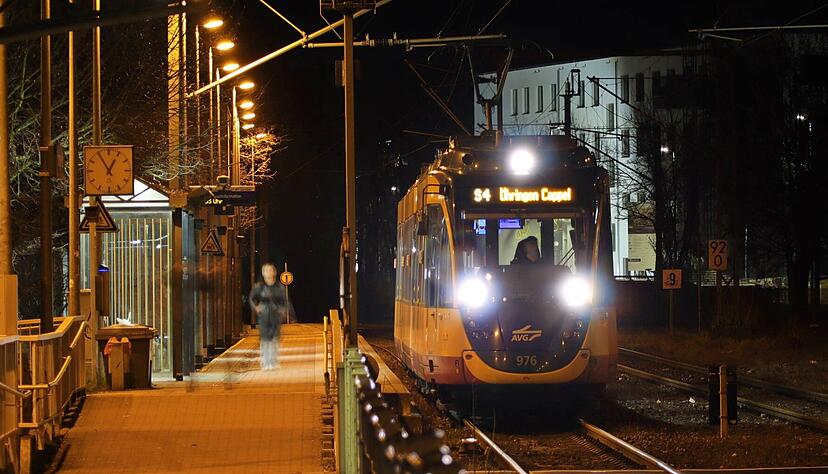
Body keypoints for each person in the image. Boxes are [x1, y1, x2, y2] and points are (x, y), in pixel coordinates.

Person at [249, 263, 295, 370]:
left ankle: (273, 362)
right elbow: (252, 298)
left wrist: (283, 311)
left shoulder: (279, 287)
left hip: (275, 316)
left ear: (274, 272)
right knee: (265, 339)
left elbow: (285, 301)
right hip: (264, 316)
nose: (268, 273)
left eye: (270, 270)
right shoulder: (259, 287)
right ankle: (265, 362)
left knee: (275, 339)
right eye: (265, 271)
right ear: (263, 273)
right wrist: (256, 308)